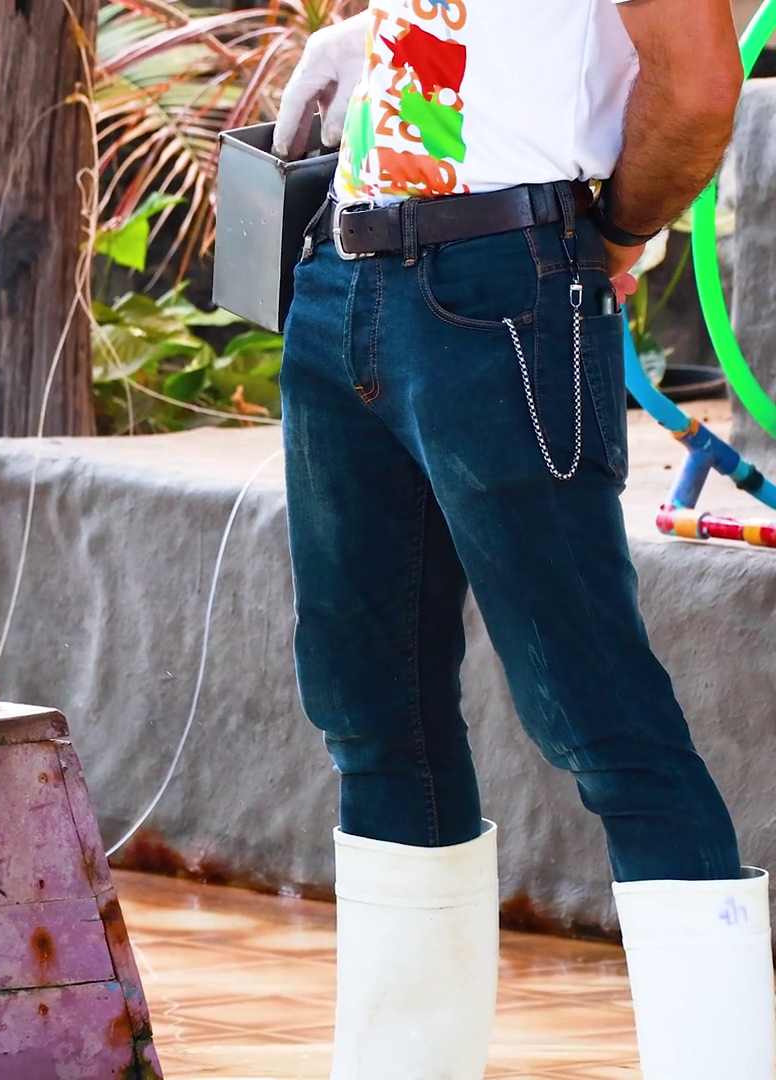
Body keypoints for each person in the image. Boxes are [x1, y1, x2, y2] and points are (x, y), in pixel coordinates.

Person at [270, 2, 772, 1077]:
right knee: (373, 718)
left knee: (600, 717)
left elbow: (696, 86)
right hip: (344, 273)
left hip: (503, 281)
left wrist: (615, 237)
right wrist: (366, 38)